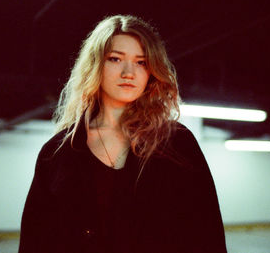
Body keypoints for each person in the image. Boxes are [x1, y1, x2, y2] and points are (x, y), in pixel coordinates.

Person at [19, 14, 227, 253]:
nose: (129, 72)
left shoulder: (177, 142)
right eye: (115, 59)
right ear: (96, 65)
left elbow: (208, 234)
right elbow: (35, 242)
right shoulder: (56, 154)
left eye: (141, 62)